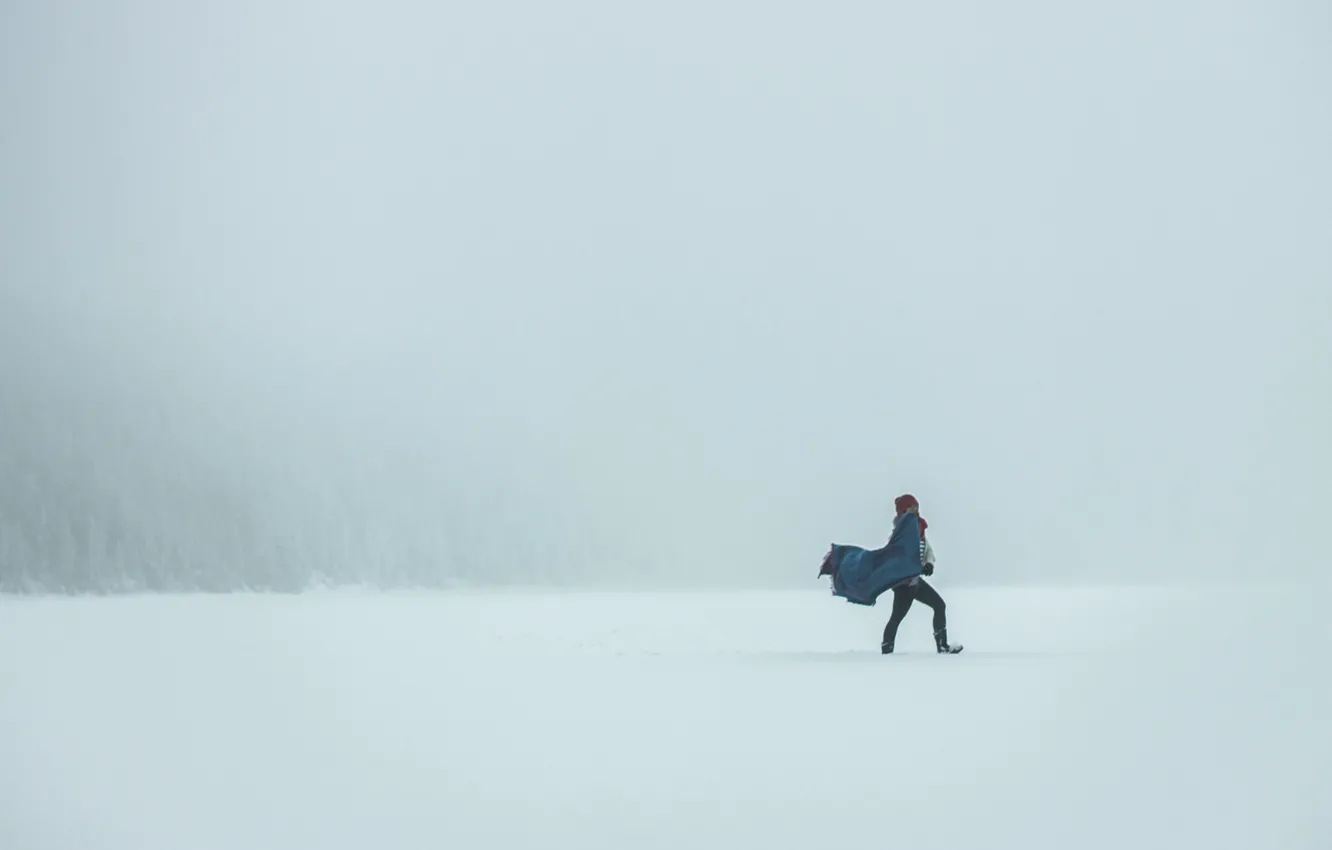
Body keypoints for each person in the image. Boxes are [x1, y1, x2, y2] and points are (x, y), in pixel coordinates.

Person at [881, 494, 962, 654]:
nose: (915, 509)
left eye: (916, 506)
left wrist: (929, 564)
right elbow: (895, 556)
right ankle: (886, 652)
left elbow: (927, 549)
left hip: (915, 581)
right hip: (903, 584)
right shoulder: (900, 532)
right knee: (896, 618)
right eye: (911, 506)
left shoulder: (919, 529)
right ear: (903, 510)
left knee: (939, 605)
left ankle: (942, 646)